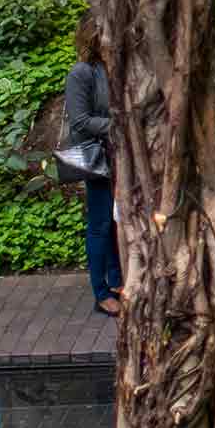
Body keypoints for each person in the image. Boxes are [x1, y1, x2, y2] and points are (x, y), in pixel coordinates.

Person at [65, 22, 122, 316]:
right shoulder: (82, 73)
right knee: (100, 222)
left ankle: (116, 281)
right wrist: (117, 126)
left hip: (117, 154)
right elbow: (79, 121)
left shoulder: (109, 68)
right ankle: (100, 292)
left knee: (115, 220)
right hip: (97, 156)